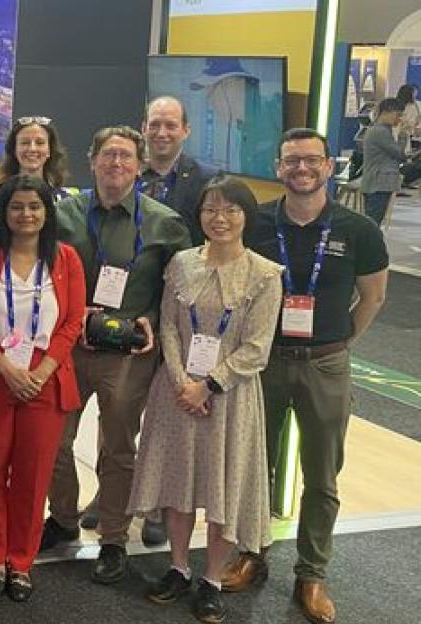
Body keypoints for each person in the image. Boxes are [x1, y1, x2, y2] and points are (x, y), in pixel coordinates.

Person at [224, 128, 389, 624]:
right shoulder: (255, 224)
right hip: (265, 360)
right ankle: (252, 555)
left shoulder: (358, 229)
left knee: (322, 475)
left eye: (311, 160)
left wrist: (337, 344)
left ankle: (312, 573)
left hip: (326, 363)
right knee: (255, 467)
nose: (302, 168)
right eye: (292, 160)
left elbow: (374, 298)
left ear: (328, 167)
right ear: (278, 167)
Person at [129, 176, 283, 624]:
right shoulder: (181, 263)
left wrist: (208, 385)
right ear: (200, 216)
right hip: (177, 393)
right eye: (211, 209)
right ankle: (178, 567)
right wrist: (182, 381)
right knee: (179, 485)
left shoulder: (264, 274)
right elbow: (170, 325)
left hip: (229, 399)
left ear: (246, 216)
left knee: (223, 488)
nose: (220, 218)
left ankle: (212, 579)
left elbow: (256, 348)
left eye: (231, 210)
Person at [40, 125, 190, 584]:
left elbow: (181, 290)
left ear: (140, 165)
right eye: (108, 155)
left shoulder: (165, 223)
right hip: (69, 347)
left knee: (120, 448)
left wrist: (152, 322)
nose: (117, 164)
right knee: (54, 441)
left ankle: (113, 537)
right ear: (92, 161)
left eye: (126, 156)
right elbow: (39, 273)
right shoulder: (62, 214)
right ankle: (64, 518)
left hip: (130, 353)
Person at [0, 175, 86, 602]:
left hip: (44, 378)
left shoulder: (66, 259)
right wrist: (4, 366)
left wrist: (43, 369)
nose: (26, 214)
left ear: (47, 212)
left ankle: (21, 561)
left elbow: (71, 323)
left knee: (33, 477)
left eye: (34, 206)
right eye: (17, 206)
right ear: (4, 213)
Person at [0, 117, 72, 239]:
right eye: (25, 142)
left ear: (49, 150)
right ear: (14, 149)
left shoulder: (66, 200)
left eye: (40, 143)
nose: (32, 148)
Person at [141, 96, 218, 246]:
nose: (162, 133)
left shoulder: (208, 179)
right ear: (144, 129)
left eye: (171, 126)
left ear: (186, 130)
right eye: (154, 125)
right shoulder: (125, 175)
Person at [359, 97, 406, 225]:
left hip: (378, 182)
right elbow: (400, 154)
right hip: (378, 183)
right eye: (398, 115)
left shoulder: (382, 130)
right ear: (386, 112)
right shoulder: (380, 132)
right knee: (372, 223)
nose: (399, 119)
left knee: (373, 221)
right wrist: (403, 135)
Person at [396, 84, 419, 150]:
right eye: (414, 95)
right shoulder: (411, 107)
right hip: (402, 134)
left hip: (402, 134)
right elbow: (411, 122)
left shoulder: (395, 105)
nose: (415, 97)